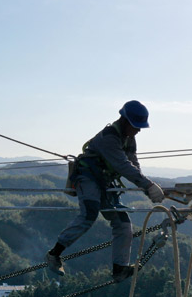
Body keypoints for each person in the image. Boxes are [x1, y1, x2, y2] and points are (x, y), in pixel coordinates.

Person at [45, 100, 165, 282]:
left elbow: (133, 164)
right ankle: (54, 254)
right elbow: (122, 165)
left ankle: (120, 269)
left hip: (104, 182)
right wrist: (147, 185)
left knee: (123, 222)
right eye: (136, 126)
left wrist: (146, 186)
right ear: (125, 121)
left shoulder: (129, 139)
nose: (139, 130)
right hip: (88, 179)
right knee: (89, 215)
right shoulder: (109, 138)